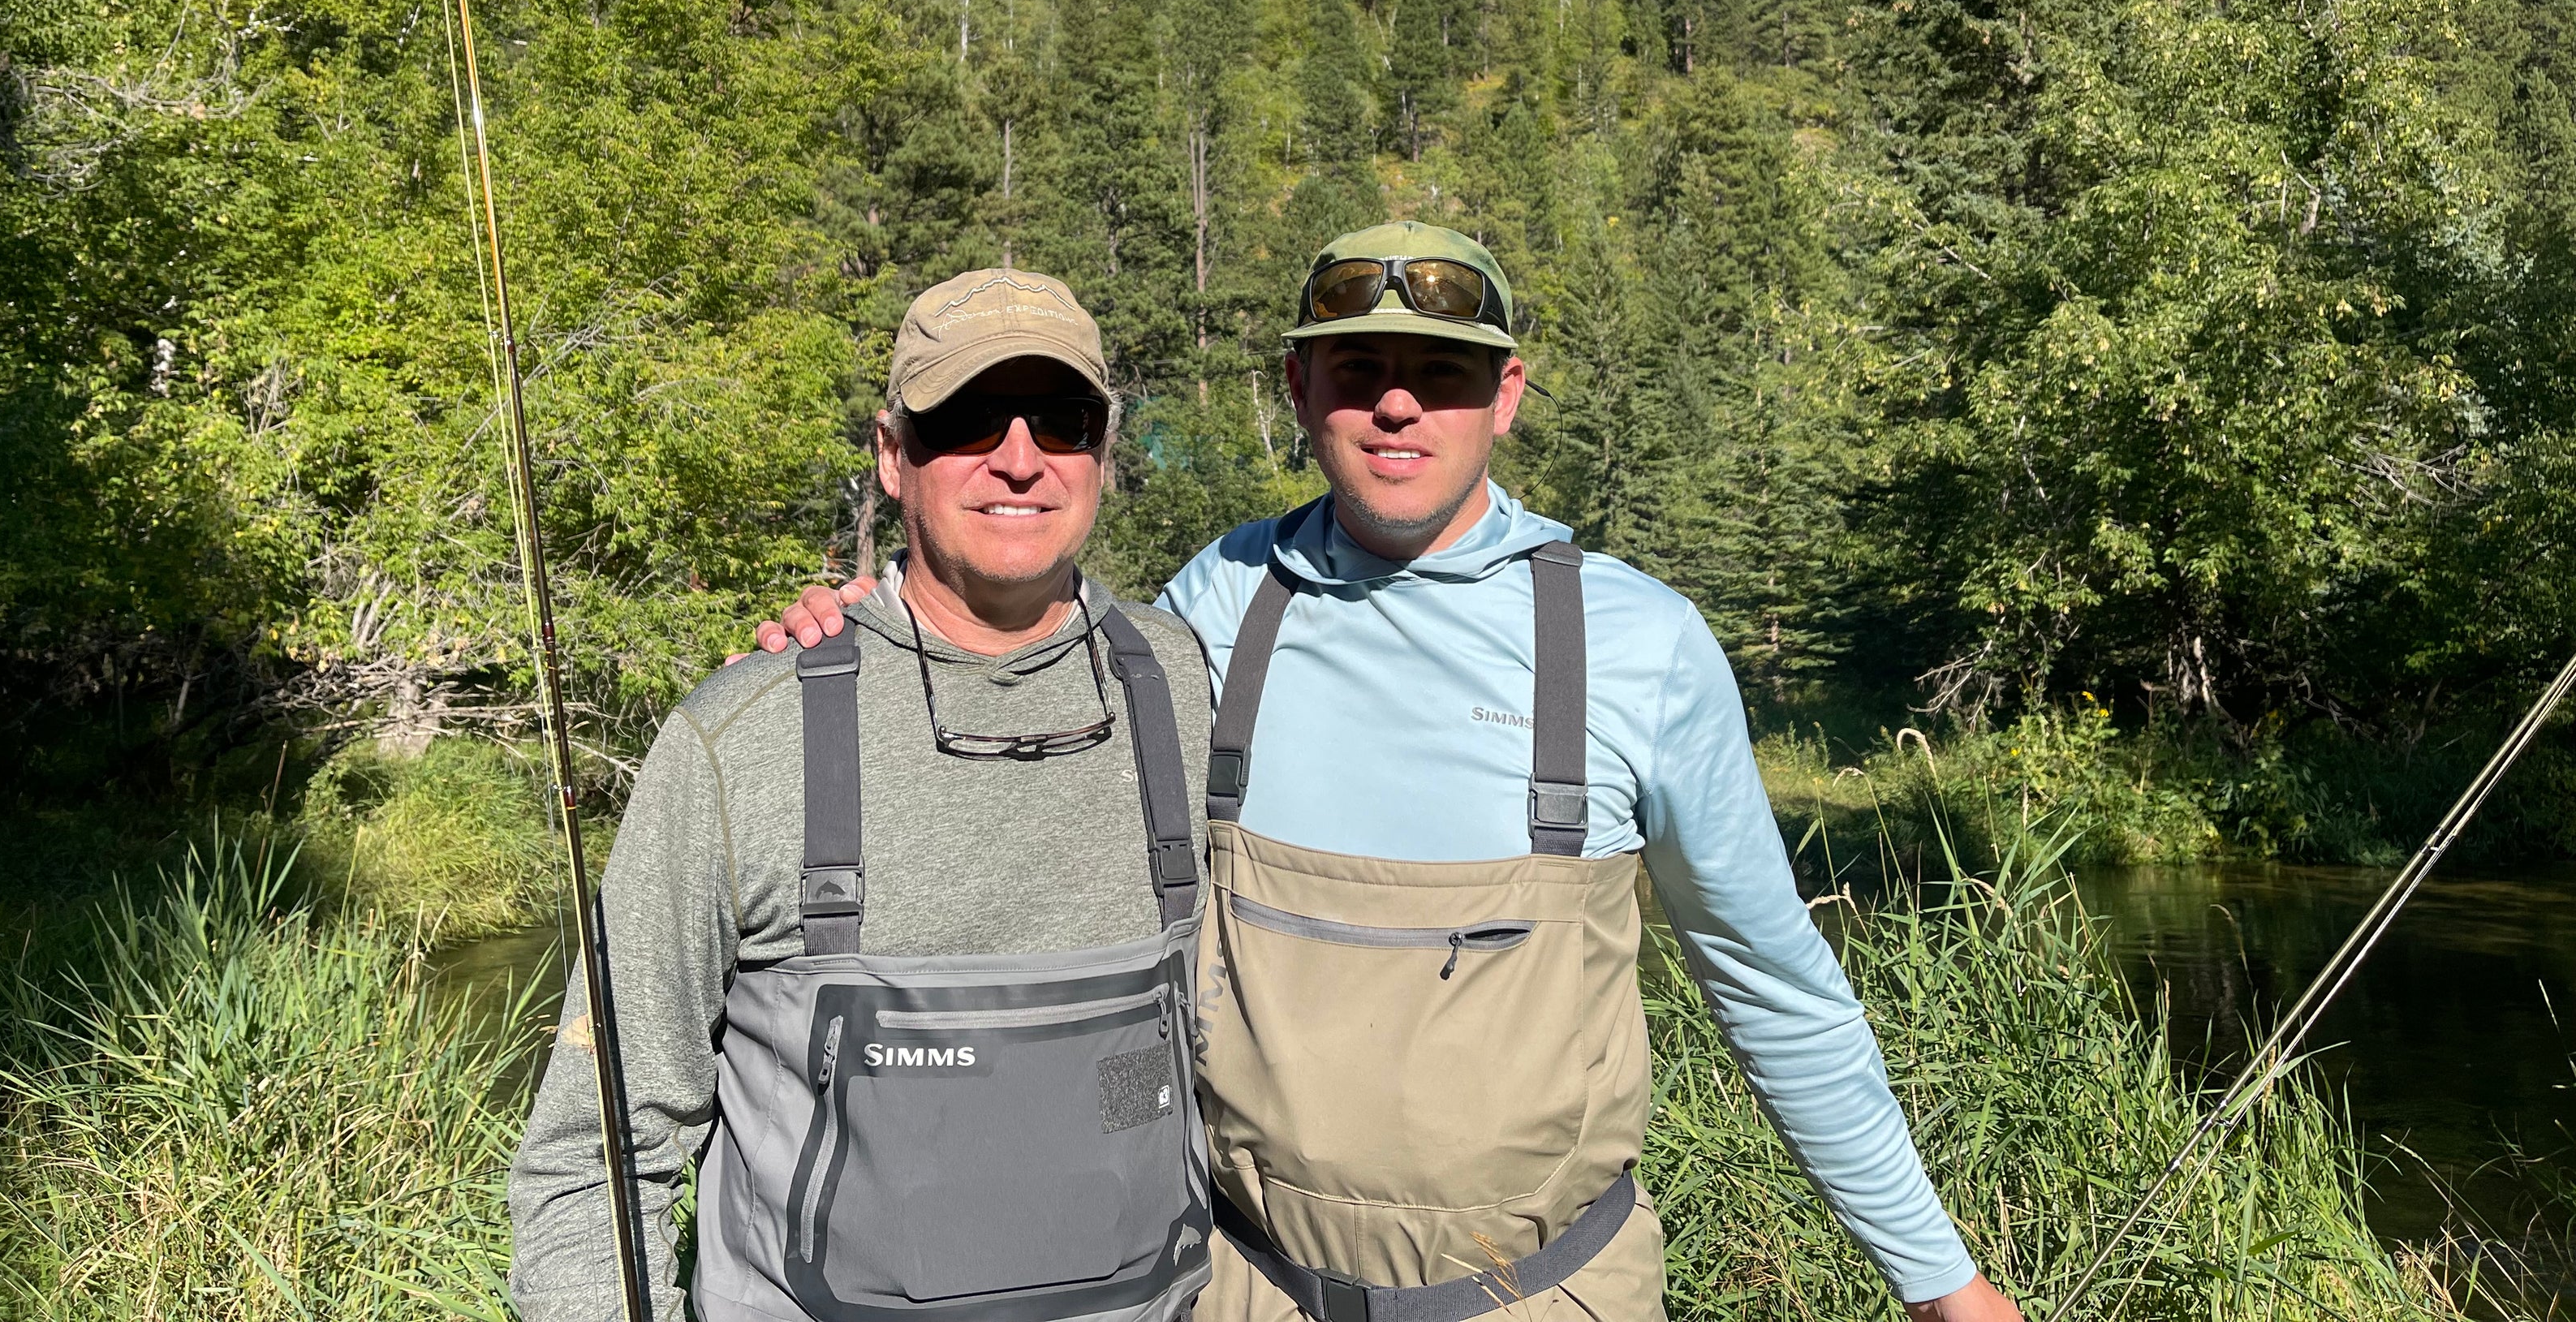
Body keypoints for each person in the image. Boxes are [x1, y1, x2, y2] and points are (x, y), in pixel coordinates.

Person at [761, 224, 2022, 1322]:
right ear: (1302, 389)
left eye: (1442, 374)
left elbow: (1774, 989)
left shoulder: (1641, 647)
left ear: (1508, 394)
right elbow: (1020, 675)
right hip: (1243, 1288)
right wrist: (860, 639)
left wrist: (1939, 1281)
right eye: (1359, 369)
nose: (1398, 406)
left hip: (1549, 1296)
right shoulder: (1217, 603)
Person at [512, 268, 1217, 1322]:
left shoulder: (1183, 688)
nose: (1019, 459)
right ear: (895, 455)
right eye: (972, 418)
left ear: (1104, 454)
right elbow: (600, 1151)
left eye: (1060, 421)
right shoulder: (743, 738)